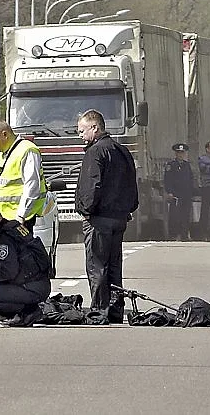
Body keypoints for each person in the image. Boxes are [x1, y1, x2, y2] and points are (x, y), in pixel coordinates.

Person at [74, 109, 137, 323]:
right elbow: (132, 184)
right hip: (119, 218)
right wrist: (129, 208)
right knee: (114, 266)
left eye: (82, 130)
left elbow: (92, 186)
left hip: (99, 219)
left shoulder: (95, 152)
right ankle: (116, 310)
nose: (80, 135)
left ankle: (99, 311)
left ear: (95, 127)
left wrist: (85, 210)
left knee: (97, 265)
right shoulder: (122, 151)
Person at [0, 202, 51, 327]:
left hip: (28, 287)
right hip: (38, 284)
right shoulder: (14, 228)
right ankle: (27, 310)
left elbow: (9, 272)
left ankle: (28, 312)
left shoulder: (4, 238)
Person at [0, 119, 47, 231]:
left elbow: (32, 186)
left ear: (5, 134)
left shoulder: (27, 150)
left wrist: (21, 216)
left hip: (22, 219)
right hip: (3, 218)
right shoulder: (0, 153)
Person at [164, 143, 195, 241]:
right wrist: (169, 192)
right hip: (175, 194)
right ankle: (173, 235)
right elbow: (167, 179)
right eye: (178, 153)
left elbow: (190, 179)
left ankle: (184, 235)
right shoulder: (171, 165)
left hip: (186, 194)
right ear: (175, 154)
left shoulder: (187, 165)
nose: (180, 155)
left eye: (182, 152)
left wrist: (192, 192)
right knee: (175, 216)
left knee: (185, 215)